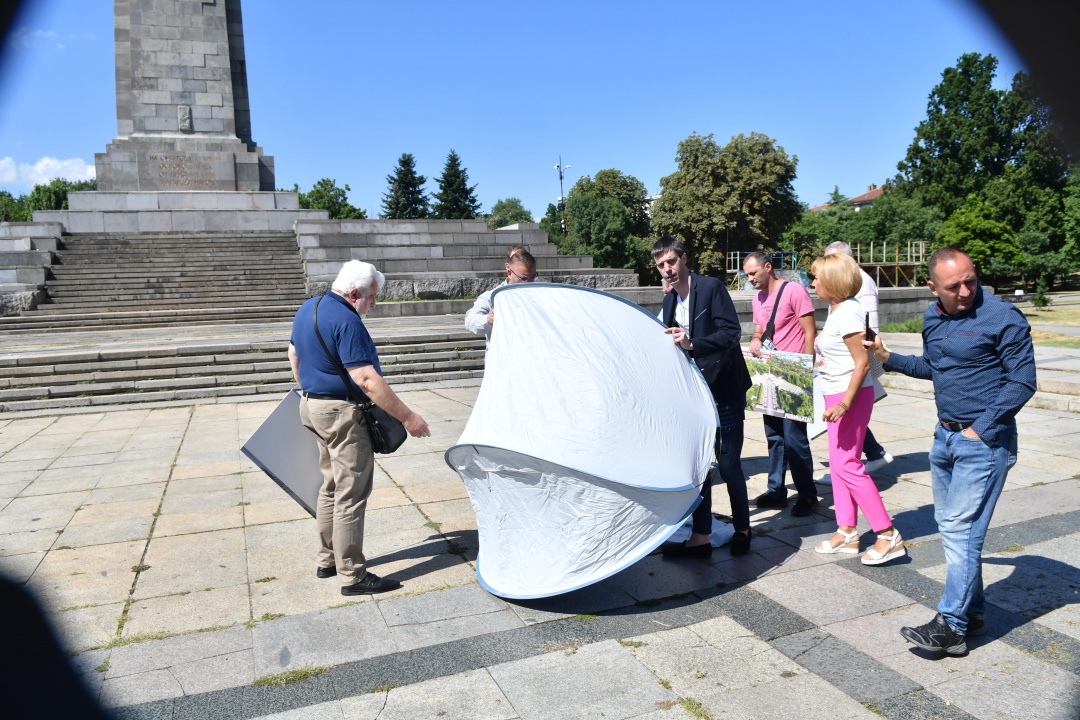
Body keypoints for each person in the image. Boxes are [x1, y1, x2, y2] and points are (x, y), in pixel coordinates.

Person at [867, 247, 1035, 655]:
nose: (965, 291)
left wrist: (981, 429)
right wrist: (889, 359)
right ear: (932, 288)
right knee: (956, 530)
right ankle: (973, 613)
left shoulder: (1003, 318)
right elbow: (936, 367)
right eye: (953, 286)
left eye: (970, 281)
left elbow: (1023, 382)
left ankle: (951, 625)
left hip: (984, 443)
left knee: (961, 532)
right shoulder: (932, 318)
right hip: (943, 440)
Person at [288, 260, 431, 596]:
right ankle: (352, 575)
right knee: (351, 494)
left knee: (330, 485)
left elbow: (293, 355)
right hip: (341, 413)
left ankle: (328, 560)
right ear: (354, 294)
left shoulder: (308, 308)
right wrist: (409, 417)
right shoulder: (348, 322)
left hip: (311, 406)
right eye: (371, 298)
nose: (373, 304)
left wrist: (312, 389)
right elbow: (366, 380)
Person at [654, 237, 754, 558]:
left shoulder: (711, 288)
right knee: (698, 467)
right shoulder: (670, 301)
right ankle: (701, 536)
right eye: (660, 265)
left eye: (671, 261)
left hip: (724, 390)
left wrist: (692, 342)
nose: (667, 269)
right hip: (693, 396)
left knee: (728, 465)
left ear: (684, 259)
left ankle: (743, 529)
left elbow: (731, 333)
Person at [809, 254, 905, 565]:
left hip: (848, 396)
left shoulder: (848, 312)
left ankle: (888, 535)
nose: (813, 283)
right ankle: (847, 531)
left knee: (849, 465)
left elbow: (862, 363)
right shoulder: (836, 308)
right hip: (835, 393)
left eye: (817, 278)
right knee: (839, 465)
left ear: (833, 282)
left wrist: (844, 403)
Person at [743, 251, 820, 516]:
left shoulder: (794, 291)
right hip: (769, 373)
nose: (749, 278)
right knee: (774, 435)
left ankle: (808, 495)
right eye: (746, 274)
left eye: (753, 273)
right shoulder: (758, 298)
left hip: (793, 373)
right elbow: (759, 329)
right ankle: (776, 491)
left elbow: (810, 330)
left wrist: (807, 370)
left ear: (768, 267)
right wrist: (755, 340)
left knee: (794, 437)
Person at [817, 241, 892, 485]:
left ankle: (862, 463)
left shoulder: (857, 291)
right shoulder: (841, 298)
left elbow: (868, 328)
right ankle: (865, 458)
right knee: (849, 435)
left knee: (850, 428)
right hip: (844, 367)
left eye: (831, 261)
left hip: (851, 369)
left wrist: (871, 353)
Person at [464, 246, 537, 344]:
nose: (529, 283)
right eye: (524, 278)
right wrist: (487, 319)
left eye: (533, 277)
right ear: (509, 271)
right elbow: (470, 321)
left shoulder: (542, 294)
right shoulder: (492, 297)